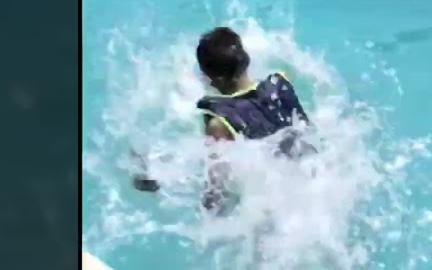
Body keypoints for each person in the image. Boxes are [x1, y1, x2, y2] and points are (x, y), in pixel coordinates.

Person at [132, 26, 315, 213]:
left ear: (213, 79)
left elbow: (217, 187)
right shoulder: (280, 83)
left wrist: (207, 211)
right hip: (311, 176)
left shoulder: (219, 123)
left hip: (270, 202)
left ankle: (152, 179)